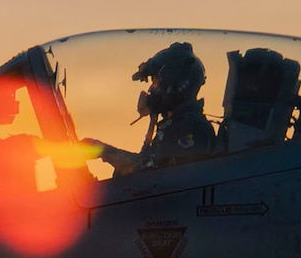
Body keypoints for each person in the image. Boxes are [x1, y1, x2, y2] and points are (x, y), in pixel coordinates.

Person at [86, 41, 217, 174]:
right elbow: (146, 164)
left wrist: (104, 151)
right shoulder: (175, 124)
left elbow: (156, 177)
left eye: (156, 82)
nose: (151, 89)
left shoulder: (191, 129)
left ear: (178, 86)